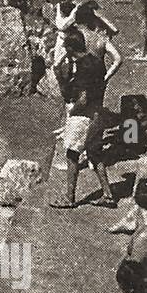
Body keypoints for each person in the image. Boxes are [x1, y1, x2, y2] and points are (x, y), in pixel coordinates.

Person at [51, 29, 114, 209]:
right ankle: (108, 194)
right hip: (97, 112)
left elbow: (82, 98)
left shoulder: (83, 69)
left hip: (84, 115)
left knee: (72, 153)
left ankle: (69, 198)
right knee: (95, 153)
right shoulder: (96, 61)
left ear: (71, 48)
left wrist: (72, 111)